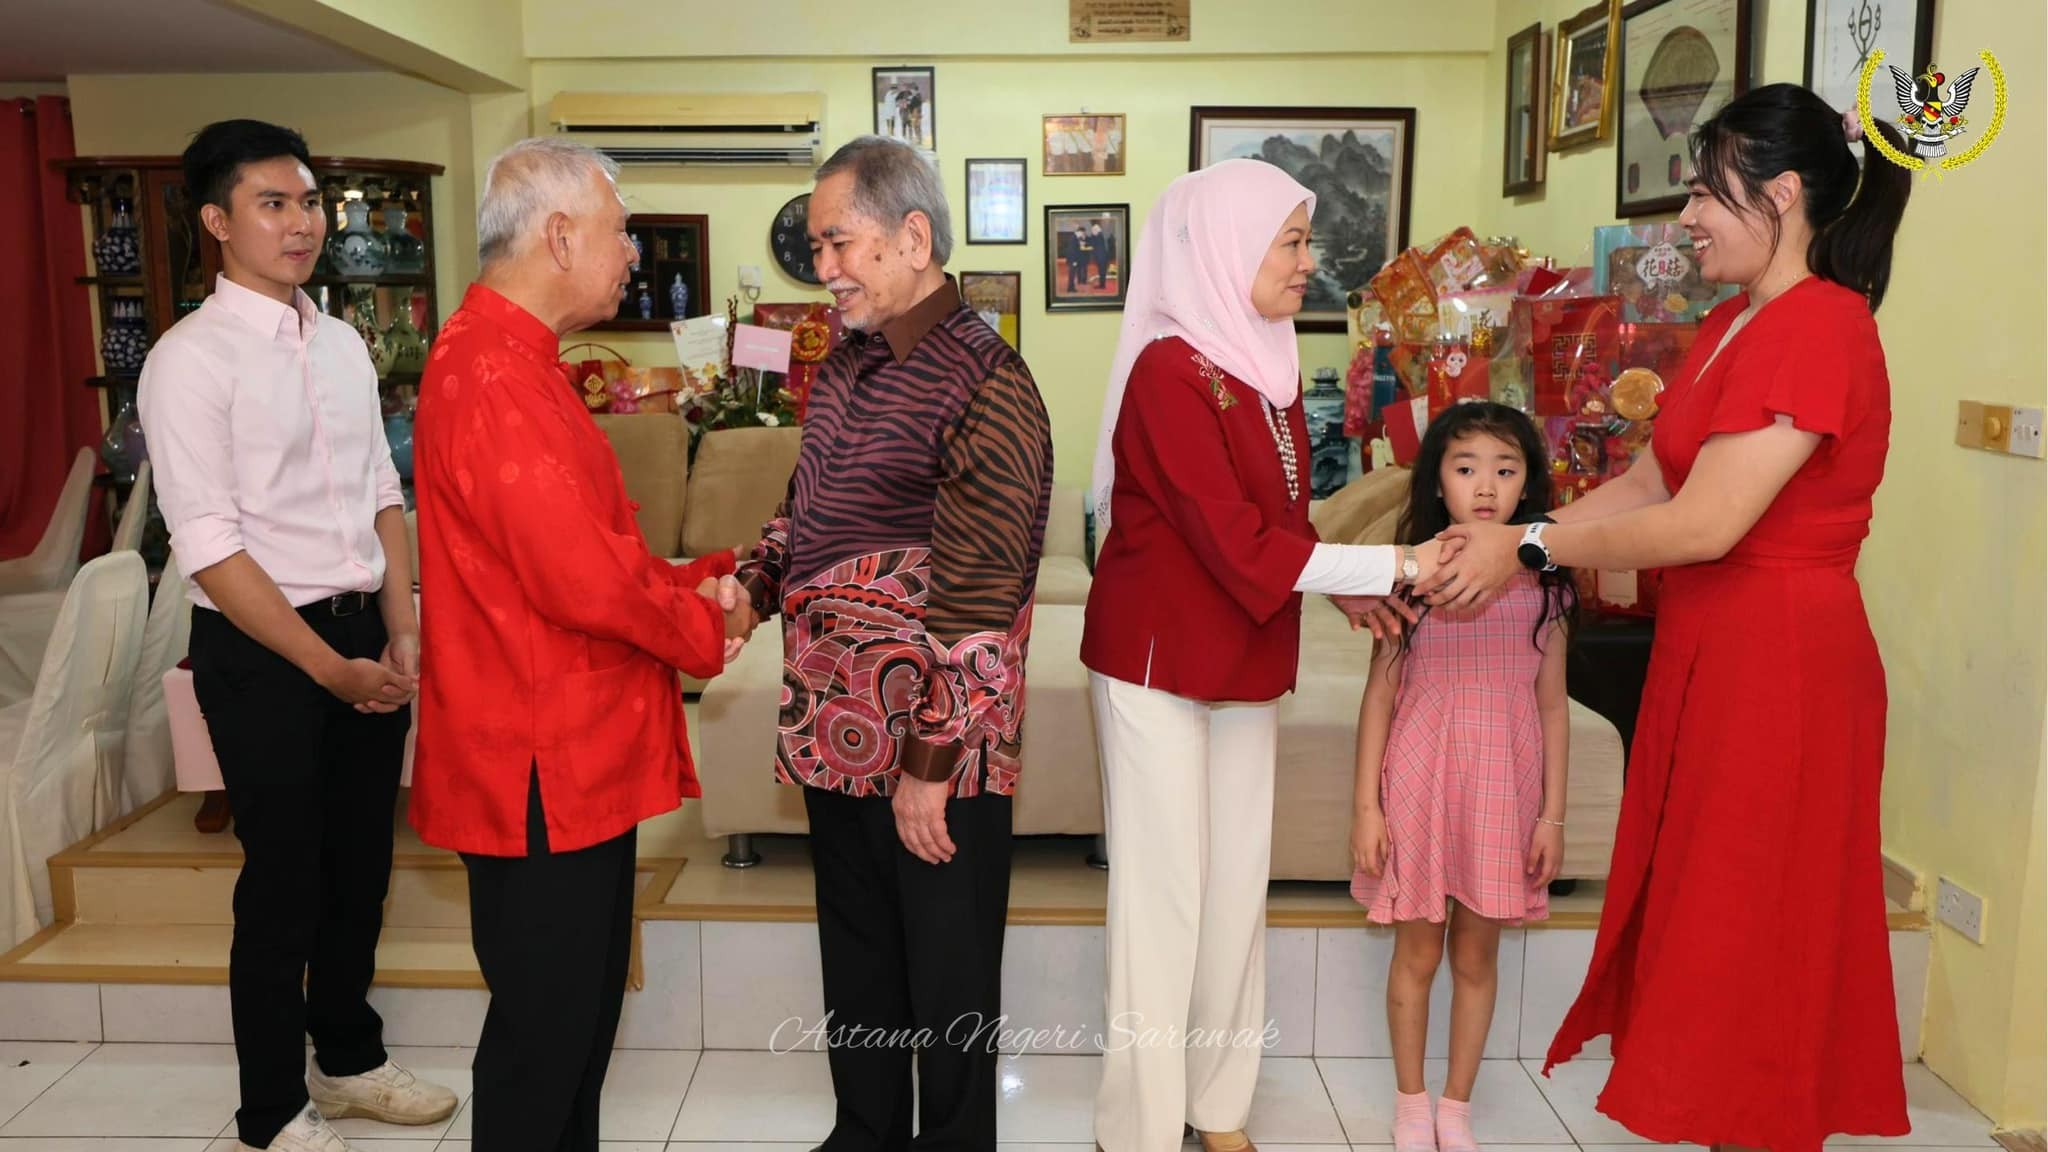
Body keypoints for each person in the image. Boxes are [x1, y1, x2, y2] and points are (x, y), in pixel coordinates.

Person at [1422, 84, 1915, 1151]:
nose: (1685, 218)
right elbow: (1651, 481)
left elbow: (1704, 524)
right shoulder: (1737, 322)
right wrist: (1503, 541)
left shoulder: (1822, 327)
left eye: (1704, 194)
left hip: (1781, 663)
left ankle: (1760, 1126)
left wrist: (1528, 550)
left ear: (1780, 194)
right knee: (1709, 913)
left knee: (1756, 919)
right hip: (1713, 650)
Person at [1081, 158, 1444, 1152]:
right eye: (1289, 241)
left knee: (1237, 886)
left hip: (1244, 650)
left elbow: (1278, 526)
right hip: (1156, 660)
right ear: (1224, 249)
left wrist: (1342, 587)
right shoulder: (1169, 372)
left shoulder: (1267, 362)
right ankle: (1138, 1128)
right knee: (1163, 897)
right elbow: (1231, 538)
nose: (1306, 261)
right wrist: (1393, 562)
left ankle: (1217, 1107)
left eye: (1304, 239)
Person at [408, 137, 750, 1152]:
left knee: (578, 1024)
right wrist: (703, 621)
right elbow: (577, 579)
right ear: (559, 237)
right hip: (536, 761)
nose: (632, 254)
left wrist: (699, 578)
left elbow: (595, 551)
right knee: (546, 1039)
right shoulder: (490, 372)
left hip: (563, 750)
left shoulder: (518, 360)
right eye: (620, 231)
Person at [138, 119, 457, 1152]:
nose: (301, 223)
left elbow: (381, 493)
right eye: (272, 203)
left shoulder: (341, 343)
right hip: (263, 651)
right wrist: (330, 669)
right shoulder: (189, 361)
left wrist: (402, 629)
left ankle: (350, 1060)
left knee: (360, 869)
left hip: (364, 631)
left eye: (310, 202)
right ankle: (271, 1108)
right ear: (217, 222)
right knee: (284, 883)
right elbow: (210, 549)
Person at [731, 134, 1052, 1150]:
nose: (822, 268)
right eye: (817, 247)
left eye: (837, 243)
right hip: (834, 730)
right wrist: (748, 588)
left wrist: (927, 766)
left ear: (913, 238)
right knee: (859, 967)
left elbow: (983, 597)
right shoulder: (843, 367)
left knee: (948, 991)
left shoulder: (988, 381)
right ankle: (863, 1134)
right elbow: (805, 510)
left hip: (934, 756)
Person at [1348, 403, 1575, 1152]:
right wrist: (1366, 808)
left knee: (1476, 956)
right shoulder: (1412, 577)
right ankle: (1411, 1106)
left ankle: (1456, 1108)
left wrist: (1552, 817)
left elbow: (1553, 707)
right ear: (1437, 480)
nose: (1485, 486)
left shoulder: (1546, 586)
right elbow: (1379, 695)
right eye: (1466, 467)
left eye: (1505, 470)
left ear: (1526, 484)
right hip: (1420, 783)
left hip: (1504, 791)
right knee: (1417, 953)